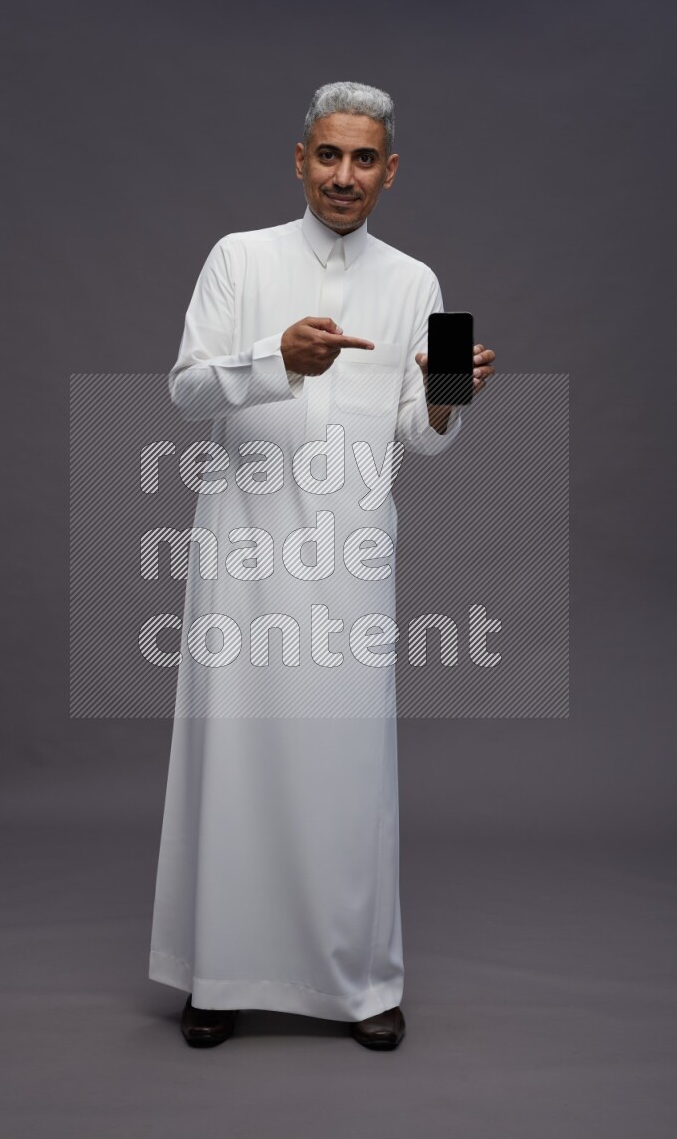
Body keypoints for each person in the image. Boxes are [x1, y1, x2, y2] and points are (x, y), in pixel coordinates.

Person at [149, 81, 496, 1050]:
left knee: (346, 771)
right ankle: (217, 975)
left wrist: (441, 399)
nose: (344, 175)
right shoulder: (240, 259)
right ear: (299, 159)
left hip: (347, 557)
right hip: (244, 551)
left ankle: (359, 982)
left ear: (388, 171)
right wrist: (275, 357)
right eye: (328, 155)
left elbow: (415, 442)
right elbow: (184, 388)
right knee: (236, 757)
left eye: (363, 159)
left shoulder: (413, 282)